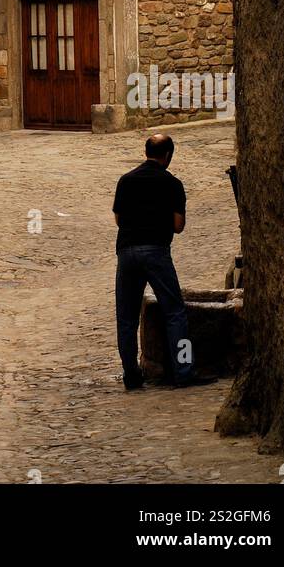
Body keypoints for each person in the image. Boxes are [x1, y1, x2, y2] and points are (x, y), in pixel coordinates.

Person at [112, 132, 215, 390]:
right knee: (175, 312)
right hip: (156, 251)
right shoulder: (172, 184)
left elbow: (117, 219)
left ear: (146, 152)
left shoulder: (126, 180)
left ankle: (131, 376)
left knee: (126, 318)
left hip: (126, 252)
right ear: (167, 155)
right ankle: (183, 371)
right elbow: (178, 226)